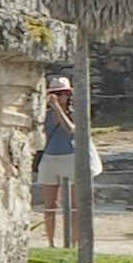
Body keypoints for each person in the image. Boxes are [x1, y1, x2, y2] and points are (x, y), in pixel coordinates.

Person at [35, 73, 82, 248]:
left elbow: (70, 130)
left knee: (74, 206)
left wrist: (57, 108)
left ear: (68, 95)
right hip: (49, 157)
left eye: (62, 93)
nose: (58, 97)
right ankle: (50, 243)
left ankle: (74, 243)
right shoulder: (44, 116)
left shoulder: (74, 114)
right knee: (50, 204)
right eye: (55, 93)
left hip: (70, 157)